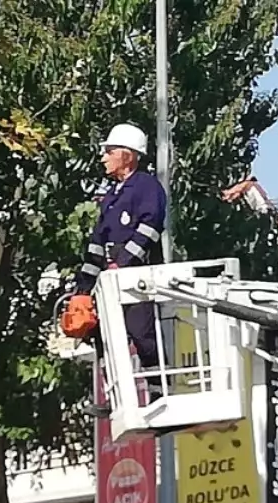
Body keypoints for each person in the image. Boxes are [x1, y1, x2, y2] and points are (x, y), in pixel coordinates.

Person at [59, 123, 168, 412]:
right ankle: (116, 397)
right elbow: (97, 245)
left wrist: (124, 263)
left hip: (138, 276)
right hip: (110, 278)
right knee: (103, 334)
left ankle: (159, 394)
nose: (103, 158)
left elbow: (150, 228)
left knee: (142, 335)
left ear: (128, 155)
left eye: (109, 151)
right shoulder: (111, 197)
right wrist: (83, 287)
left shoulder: (145, 187)